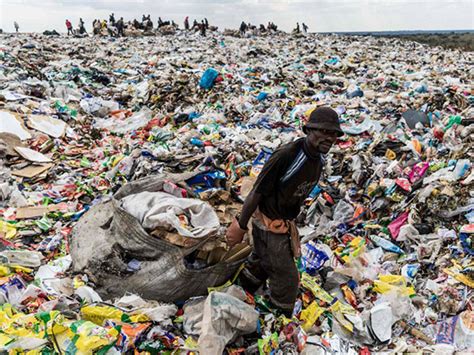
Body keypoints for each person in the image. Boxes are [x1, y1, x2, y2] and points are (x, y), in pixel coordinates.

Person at [226, 107, 344, 317]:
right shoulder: (288, 155)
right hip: (269, 223)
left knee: (262, 262)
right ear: (309, 130)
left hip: (282, 223)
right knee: (288, 280)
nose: (329, 138)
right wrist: (240, 225)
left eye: (333, 134)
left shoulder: (316, 159)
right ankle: (277, 319)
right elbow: (257, 192)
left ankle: (238, 290)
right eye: (324, 132)